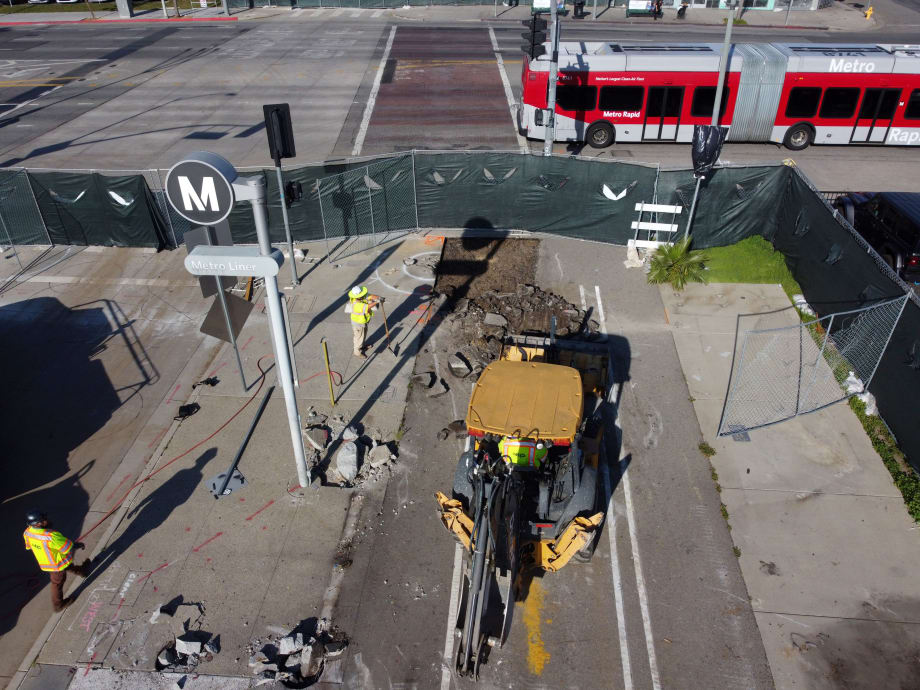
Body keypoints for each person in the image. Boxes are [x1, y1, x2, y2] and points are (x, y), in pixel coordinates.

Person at [23, 510, 91, 612]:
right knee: (57, 584)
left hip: (47, 562)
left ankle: (82, 571)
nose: (47, 520)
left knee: (68, 566)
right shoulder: (51, 536)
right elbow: (67, 547)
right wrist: (78, 545)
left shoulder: (27, 533)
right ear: (38, 524)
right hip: (56, 565)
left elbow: (29, 546)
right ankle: (58, 605)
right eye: (44, 520)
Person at [347, 286, 380, 360]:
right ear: (358, 297)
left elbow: (370, 296)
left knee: (363, 335)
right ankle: (357, 352)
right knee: (359, 338)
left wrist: (379, 297)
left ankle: (362, 346)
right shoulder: (356, 305)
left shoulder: (359, 298)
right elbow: (368, 307)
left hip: (362, 322)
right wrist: (377, 301)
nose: (363, 295)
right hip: (358, 324)